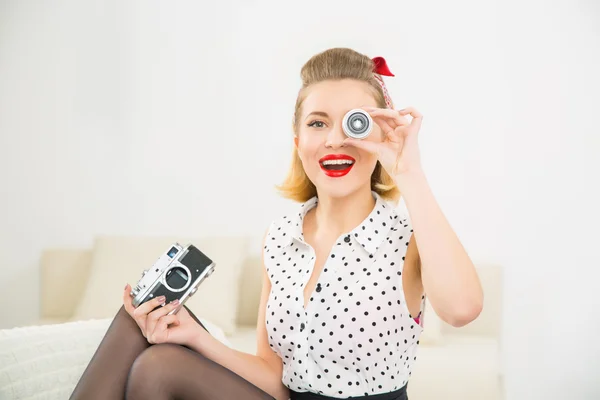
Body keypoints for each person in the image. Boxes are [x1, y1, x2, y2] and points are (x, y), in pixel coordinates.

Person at [69, 47, 483, 400]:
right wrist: (195, 338)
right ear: (298, 139)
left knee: (156, 368)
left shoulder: (407, 239)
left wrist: (408, 171)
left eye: (354, 123)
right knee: (144, 327)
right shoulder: (281, 236)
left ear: (379, 135)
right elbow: (274, 376)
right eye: (318, 123)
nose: (335, 140)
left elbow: (463, 310)